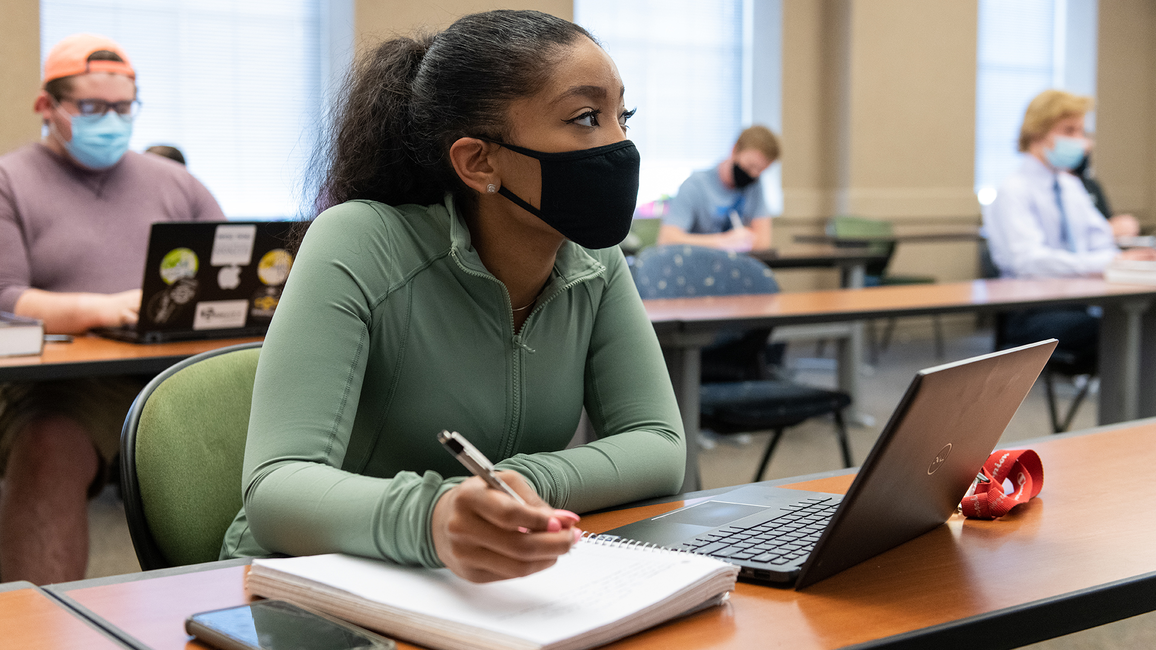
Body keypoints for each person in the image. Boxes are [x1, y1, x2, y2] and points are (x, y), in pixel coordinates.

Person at [218, 10, 684, 583]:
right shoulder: (359, 240)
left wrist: (521, 486)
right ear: (478, 161)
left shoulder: (594, 259)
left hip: (479, 584)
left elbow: (659, 446)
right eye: (586, 117)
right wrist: (436, 518)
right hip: (306, 582)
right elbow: (277, 488)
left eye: (623, 116)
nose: (618, 144)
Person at [0, 34, 224, 584]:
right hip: (65, 385)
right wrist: (104, 308)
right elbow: (6, 298)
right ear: (46, 107)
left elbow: (232, 272)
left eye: (124, 108)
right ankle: (38, 631)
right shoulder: (11, 182)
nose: (112, 120)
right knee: (50, 446)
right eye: (93, 108)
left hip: (180, 369)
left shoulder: (176, 185)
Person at [983, 89, 1156, 358]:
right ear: (1037, 132)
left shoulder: (1070, 186)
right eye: (1069, 130)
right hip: (1032, 311)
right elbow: (1029, 262)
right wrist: (1109, 263)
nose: (1081, 141)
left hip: (1084, 301)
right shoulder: (1013, 190)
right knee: (1123, 329)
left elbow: (1100, 242)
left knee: (1140, 322)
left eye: (1081, 132)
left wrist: (1126, 261)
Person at [657, 125, 779, 252]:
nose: (753, 174)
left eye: (760, 170)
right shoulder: (695, 186)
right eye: (750, 166)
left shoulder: (754, 186)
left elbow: (764, 242)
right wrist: (723, 242)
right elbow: (667, 240)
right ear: (734, 150)